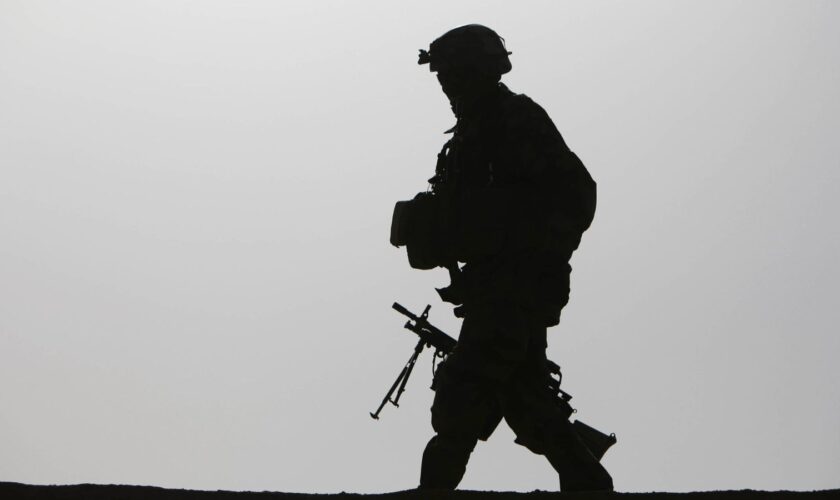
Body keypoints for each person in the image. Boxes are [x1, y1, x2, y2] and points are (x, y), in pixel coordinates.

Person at [394, 24, 613, 492]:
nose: (448, 87)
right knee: (529, 403)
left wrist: (526, 249)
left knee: (460, 393)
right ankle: (590, 485)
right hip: (493, 288)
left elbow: (577, 195)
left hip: (516, 289)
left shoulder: (515, 120)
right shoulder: (469, 136)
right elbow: (471, 218)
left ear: (480, 71)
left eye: (454, 75)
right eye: (444, 78)